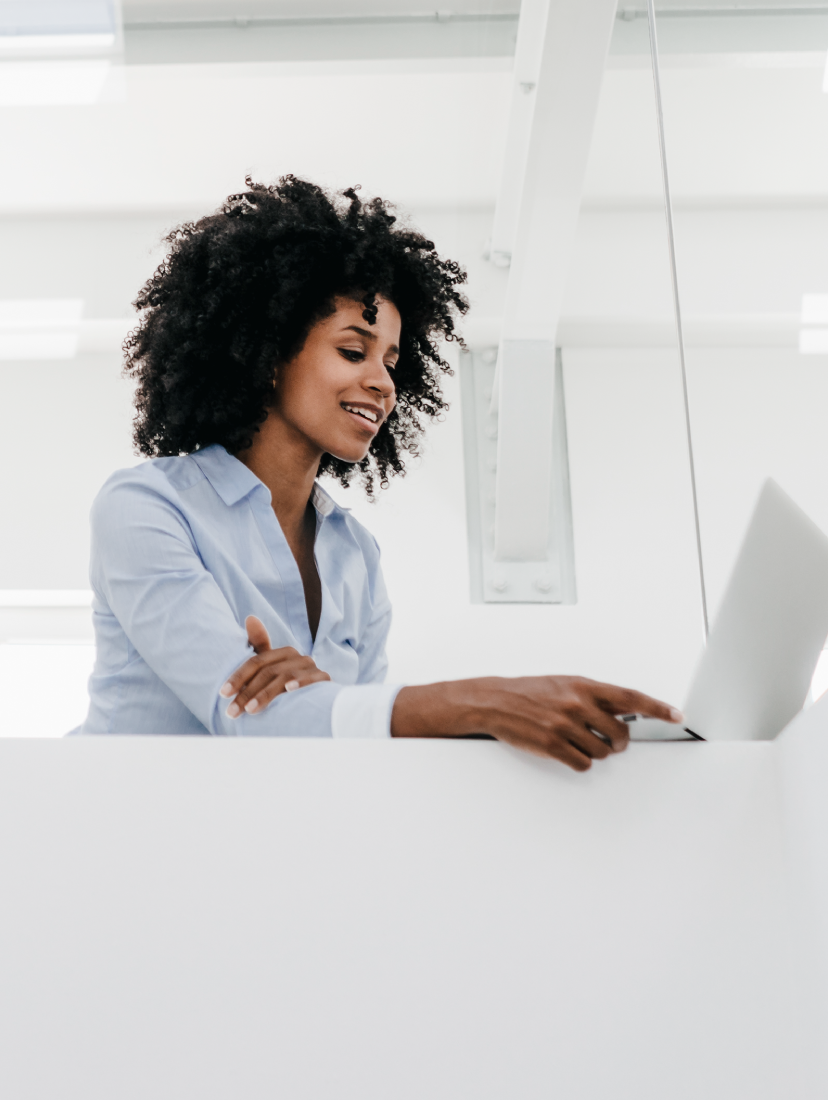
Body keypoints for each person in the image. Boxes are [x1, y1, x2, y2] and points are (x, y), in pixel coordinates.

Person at [76, 176, 683, 769]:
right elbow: (251, 718)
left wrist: (327, 702)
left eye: (391, 362)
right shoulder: (147, 508)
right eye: (352, 351)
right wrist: (481, 701)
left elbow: (356, 752)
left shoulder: (353, 554)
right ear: (265, 353)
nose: (383, 384)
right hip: (121, 838)